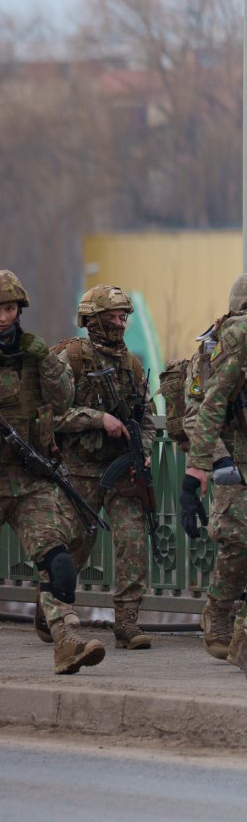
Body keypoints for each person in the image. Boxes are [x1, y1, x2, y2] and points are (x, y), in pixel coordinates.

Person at [0, 270, 106, 674]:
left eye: (10, 308)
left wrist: (45, 358)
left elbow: (65, 395)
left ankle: (66, 638)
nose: (3, 317)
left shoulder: (34, 354)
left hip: (30, 477)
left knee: (58, 559)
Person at [50, 286, 155, 650]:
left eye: (123, 316)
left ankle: (126, 622)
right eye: (111, 316)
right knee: (77, 545)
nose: (119, 323)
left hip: (122, 468)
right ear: (91, 319)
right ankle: (52, 612)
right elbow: (50, 415)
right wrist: (97, 419)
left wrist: (145, 450)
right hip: (80, 469)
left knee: (132, 542)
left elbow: (148, 418)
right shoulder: (70, 359)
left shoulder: (132, 364)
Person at [181, 276, 247, 663]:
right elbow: (197, 413)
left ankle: (240, 631)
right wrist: (216, 461)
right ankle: (218, 611)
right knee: (237, 544)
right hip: (232, 465)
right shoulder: (211, 354)